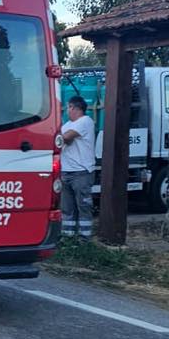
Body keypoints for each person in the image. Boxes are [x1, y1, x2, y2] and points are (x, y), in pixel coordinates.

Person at [60, 95, 96, 240]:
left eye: (69, 107)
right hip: (66, 171)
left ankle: (84, 238)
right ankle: (68, 237)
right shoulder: (67, 124)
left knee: (83, 206)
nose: (67, 110)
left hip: (81, 172)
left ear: (75, 108)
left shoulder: (85, 121)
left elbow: (66, 137)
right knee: (67, 208)